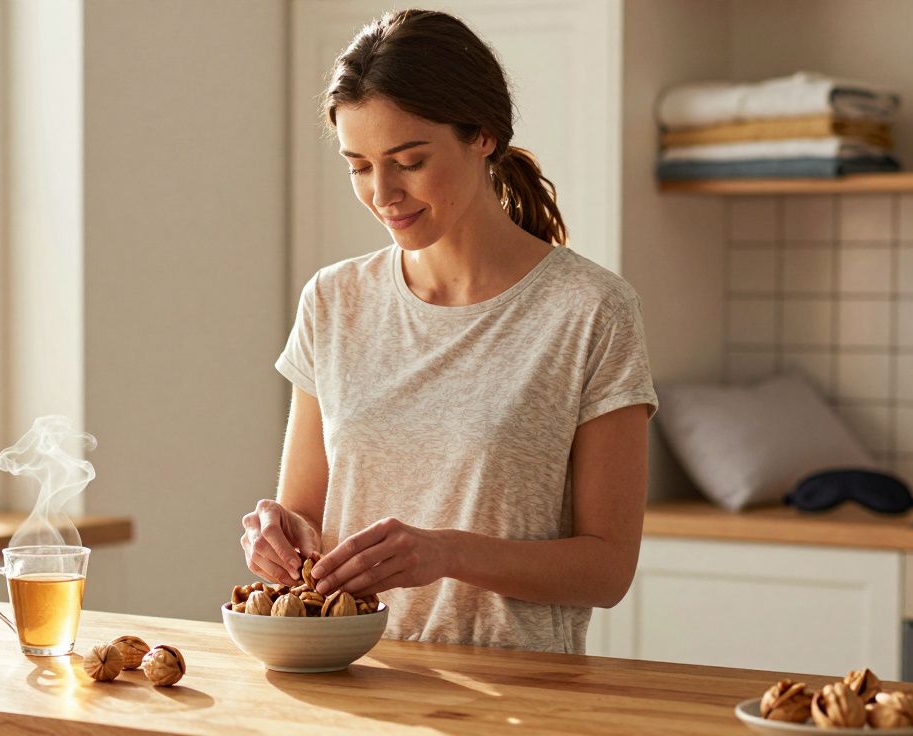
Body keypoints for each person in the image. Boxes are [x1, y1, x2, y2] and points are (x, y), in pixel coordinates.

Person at [240, 8, 658, 653]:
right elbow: (306, 516)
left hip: (518, 696)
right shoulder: (334, 300)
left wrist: (447, 553)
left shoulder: (590, 310)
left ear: (482, 135)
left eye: (408, 160)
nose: (383, 192)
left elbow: (606, 571)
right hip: (350, 680)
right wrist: (277, 532)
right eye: (358, 165)